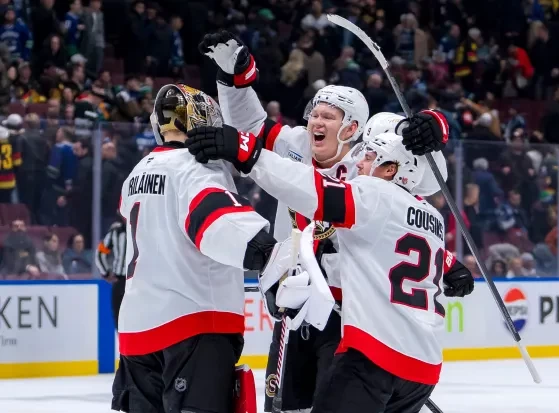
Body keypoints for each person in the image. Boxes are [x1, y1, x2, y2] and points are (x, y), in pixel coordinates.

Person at [198, 30, 449, 413]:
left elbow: (425, 186)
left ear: (351, 128)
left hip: (345, 315)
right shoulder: (297, 145)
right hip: (292, 305)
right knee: (284, 407)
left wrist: (432, 129)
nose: (316, 121)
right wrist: (234, 79)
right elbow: (249, 130)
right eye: (314, 113)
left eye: (328, 116)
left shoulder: (369, 168)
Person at [186, 118, 474, 413]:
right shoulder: (432, 218)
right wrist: (450, 264)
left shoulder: (374, 196)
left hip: (374, 355)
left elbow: (311, 189)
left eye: (370, 156)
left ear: (391, 169)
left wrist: (250, 154)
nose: (360, 163)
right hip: (423, 368)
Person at [111, 83, 297, 413]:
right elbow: (218, 223)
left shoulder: (138, 172)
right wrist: (272, 256)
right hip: (193, 323)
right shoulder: (195, 168)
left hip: (136, 329)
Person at [96, 217, 127, 329]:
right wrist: (106, 273)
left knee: (121, 323)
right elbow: (100, 253)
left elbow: (100, 254)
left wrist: (106, 273)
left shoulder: (116, 231)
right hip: (138, 281)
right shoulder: (145, 228)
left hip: (121, 281)